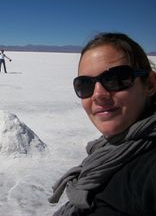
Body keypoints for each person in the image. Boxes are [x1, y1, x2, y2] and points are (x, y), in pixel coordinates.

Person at [49, 33, 156, 216]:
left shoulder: (148, 169)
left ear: (150, 84)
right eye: (85, 84)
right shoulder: (107, 153)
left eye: (115, 79)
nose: (98, 94)